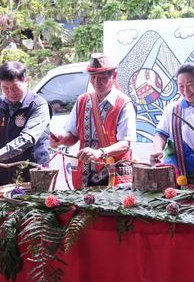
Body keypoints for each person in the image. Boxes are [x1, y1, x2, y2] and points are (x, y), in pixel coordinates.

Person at [50, 53, 136, 188]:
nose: (96, 82)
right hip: (85, 175)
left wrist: (99, 153)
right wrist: (61, 139)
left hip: (114, 175)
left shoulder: (124, 104)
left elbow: (125, 144)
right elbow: (72, 136)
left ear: (114, 76)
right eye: (93, 77)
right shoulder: (82, 101)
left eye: (102, 78)